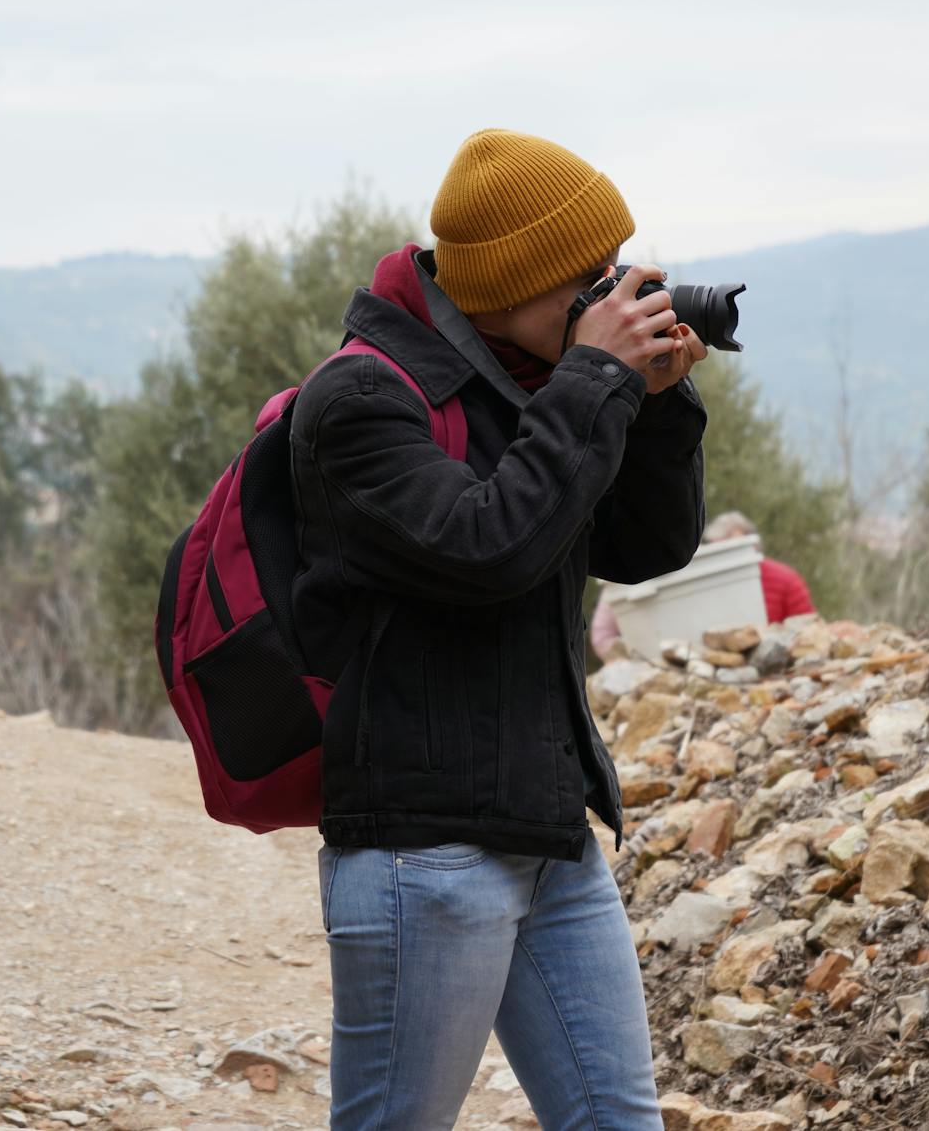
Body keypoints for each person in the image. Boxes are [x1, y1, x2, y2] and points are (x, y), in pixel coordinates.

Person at [289, 127, 708, 1129]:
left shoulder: (529, 382)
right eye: (588, 279)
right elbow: (489, 549)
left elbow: (646, 545)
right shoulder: (358, 399)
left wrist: (650, 404)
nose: (609, 293)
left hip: (545, 829)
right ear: (515, 281)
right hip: (422, 854)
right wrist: (592, 384)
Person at [589, 510, 815, 662]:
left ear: (754, 545)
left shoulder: (786, 580)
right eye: (720, 547)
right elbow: (602, 634)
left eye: (734, 545)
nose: (728, 553)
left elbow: (807, 629)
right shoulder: (700, 580)